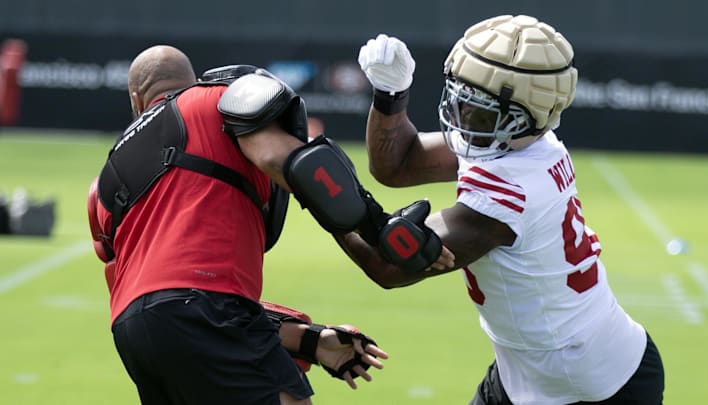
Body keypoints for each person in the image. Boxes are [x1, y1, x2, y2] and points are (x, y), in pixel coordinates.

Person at [87, 45, 451, 405]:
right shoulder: (213, 99)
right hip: (207, 309)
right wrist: (381, 229)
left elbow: (165, 303)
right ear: (190, 80)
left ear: (136, 99)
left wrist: (311, 341)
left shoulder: (104, 183)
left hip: (135, 334)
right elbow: (295, 164)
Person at [339, 15, 665, 404]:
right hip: (538, 368)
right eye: (460, 96)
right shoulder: (525, 142)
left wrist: (320, 191)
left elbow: (387, 266)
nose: (460, 116)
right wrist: (391, 93)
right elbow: (398, 165)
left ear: (520, 114)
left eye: (477, 109)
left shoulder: (510, 189)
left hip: (593, 386)